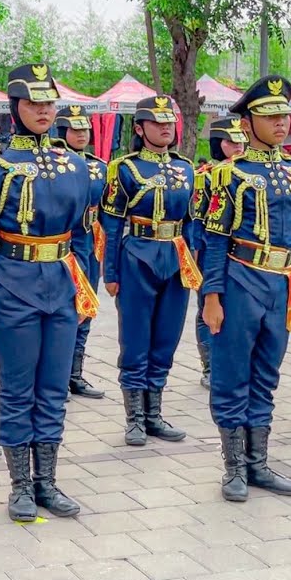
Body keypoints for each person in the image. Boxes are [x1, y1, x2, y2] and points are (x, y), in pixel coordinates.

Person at [0, 63, 94, 523]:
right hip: (12, 284)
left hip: (60, 286)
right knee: (18, 389)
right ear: (16, 107)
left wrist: (85, 295)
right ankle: (20, 485)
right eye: (33, 102)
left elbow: (82, 237)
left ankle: (48, 482)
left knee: (54, 388)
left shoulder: (75, 165)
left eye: (48, 102)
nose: (43, 110)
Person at [201, 74, 291, 502]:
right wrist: (212, 296)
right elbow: (213, 240)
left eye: (284, 114)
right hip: (239, 279)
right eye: (270, 115)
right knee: (232, 376)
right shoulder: (226, 176)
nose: (281, 122)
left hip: (279, 283)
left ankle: (258, 463)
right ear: (247, 124)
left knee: (265, 375)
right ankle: (233, 468)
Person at [102, 95, 200, 446]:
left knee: (166, 338)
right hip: (137, 256)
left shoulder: (186, 168)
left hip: (175, 259)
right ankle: (135, 418)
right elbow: (111, 225)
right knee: (135, 339)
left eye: (169, 122)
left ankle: (155, 413)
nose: (165, 128)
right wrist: (109, 273)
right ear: (140, 128)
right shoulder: (124, 169)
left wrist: (194, 267)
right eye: (157, 123)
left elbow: (192, 224)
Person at [187, 115, 249, 390]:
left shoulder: (251, 173)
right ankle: (209, 365)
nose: (237, 146)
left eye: (240, 140)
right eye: (229, 141)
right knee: (206, 307)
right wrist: (196, 254)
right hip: (211, 250)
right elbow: (197, 220)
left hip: (243, 255)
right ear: (217, 144)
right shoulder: (206, 176)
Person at [57, 105, 107, 401]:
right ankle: (58, 376)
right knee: (63, 313)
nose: (81, 134)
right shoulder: (54, 162)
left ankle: (75, 373)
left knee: (86, 309)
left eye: (85, 129)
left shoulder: (99, 166)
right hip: (63, 246)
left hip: (89, 244)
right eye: (75, 129)